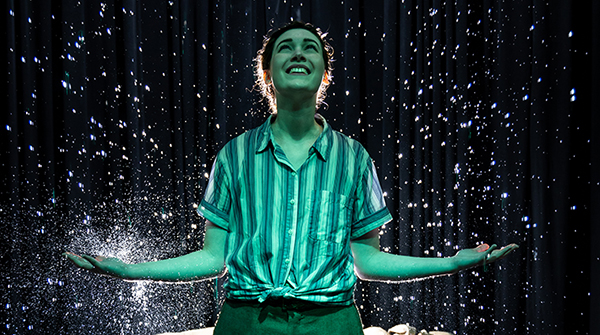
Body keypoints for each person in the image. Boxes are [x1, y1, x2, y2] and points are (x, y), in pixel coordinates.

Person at [65, 21, 518, 334]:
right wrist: (130, 270)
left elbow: (369, 262)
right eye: (286, 47)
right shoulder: (234, 156)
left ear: (323, 73)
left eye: (310, 48)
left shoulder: (354, 159)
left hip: (332, 322)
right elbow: (212, 259)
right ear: (267, 74)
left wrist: (451, 264)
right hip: (246, 320)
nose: (298, 52)